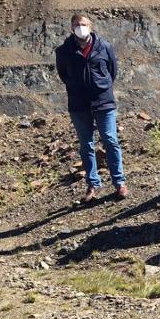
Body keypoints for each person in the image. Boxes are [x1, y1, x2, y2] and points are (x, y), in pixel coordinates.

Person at [55, 13, 127, 202]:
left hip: (103, 102)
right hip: (79, 105)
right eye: (77, 25)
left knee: (110, 140)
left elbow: (112, 72)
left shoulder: (104, 47)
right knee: (86, 145)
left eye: (84, 24)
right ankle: (92, 184)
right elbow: (63, 75)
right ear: (71, 27)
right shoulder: (63, 51)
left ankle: (119, 182)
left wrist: (100, 87)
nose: (81, 27)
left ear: (91, 26)